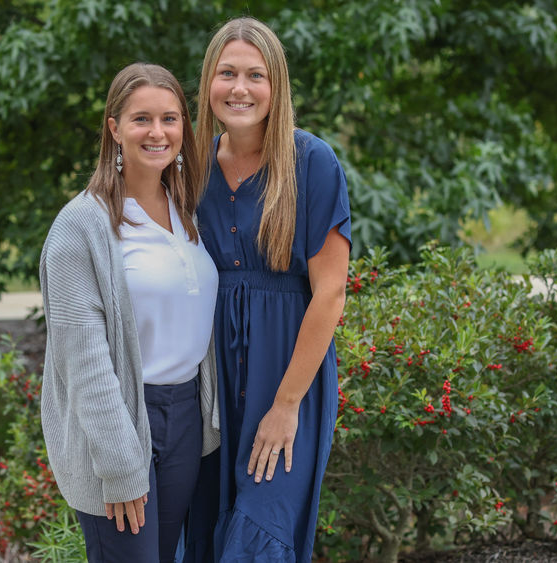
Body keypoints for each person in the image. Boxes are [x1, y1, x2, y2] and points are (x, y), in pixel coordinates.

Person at [185, 17, 352, 562]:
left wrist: (285, 406)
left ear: (275, 86)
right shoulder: (191, 167)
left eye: (255, 75)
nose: (239, 88)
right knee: (209, 524)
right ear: (208, 81)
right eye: (227, 73)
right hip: (212, 379)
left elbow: (329, 294)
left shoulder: (312, 162)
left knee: (262, 530)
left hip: (287, 378)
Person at [39, 62, 220, 563]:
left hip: (184, 420)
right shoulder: (81, 226)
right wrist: (119, 466)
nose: (158, 132)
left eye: (170, 119)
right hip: (119, 422)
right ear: (114, 129)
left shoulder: (190, 212)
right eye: (142, 119)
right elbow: (85, 363)